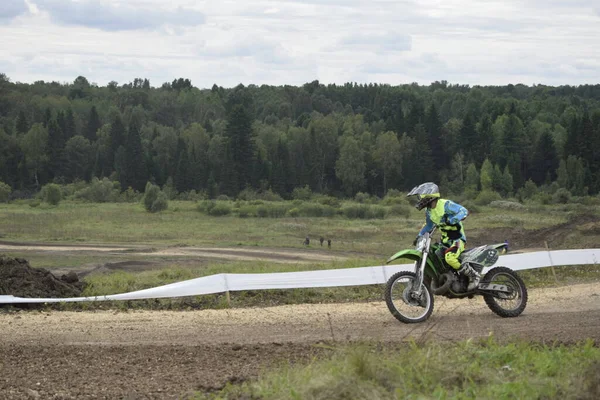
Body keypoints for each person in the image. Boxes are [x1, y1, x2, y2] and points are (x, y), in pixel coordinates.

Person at [407, 182, 480, 290]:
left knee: (450, 258)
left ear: (429, 195)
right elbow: (428, 226)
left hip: (457, 239)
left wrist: (452, 219)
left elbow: (463, 211)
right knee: (435, 256)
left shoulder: (446, 205)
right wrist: (419, 236)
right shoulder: (429, 211)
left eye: (420, 197)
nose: (419, 200)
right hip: (445, 241)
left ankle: (474, 276)